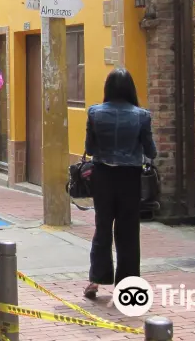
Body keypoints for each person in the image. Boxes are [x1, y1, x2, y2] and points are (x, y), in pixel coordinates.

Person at [83, 68, 157, 300]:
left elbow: (90, 148)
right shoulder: (142, 116)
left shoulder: (95, 113)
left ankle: (95, 280)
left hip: (102, 176)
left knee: (102, 228)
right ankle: (127, 284)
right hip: (130, 179)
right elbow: (150, 151)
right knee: (128, 232)